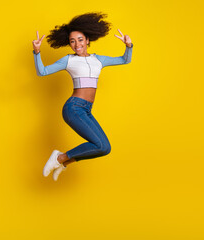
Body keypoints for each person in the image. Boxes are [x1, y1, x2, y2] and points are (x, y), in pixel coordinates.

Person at [32, 12, 133, 181]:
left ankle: (64, 162)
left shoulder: (98, 60)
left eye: (80, 39)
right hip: (74, 108)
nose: (76, 44)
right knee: (100, 145)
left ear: (87, 40)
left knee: (104, 147)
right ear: (69, 44)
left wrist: (129, 46)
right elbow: (42, 72)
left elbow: (124, 60)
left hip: (86, 110)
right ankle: (59, 158)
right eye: (72, 41)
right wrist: (36, 52)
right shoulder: (68, 60)